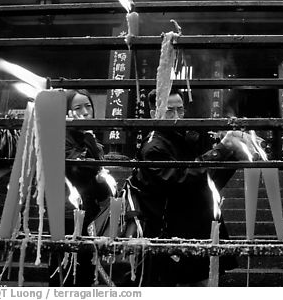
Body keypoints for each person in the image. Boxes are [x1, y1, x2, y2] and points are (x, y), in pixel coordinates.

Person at [122, 88, 238, 286]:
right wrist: (219, 153)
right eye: (169, 111)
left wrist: (233, 153)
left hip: (196, 227)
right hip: (175, 232)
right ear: (154, 114)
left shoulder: (181, 138)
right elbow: (182, 181)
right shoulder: (154, 147)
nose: (177, 116)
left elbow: (207, 182)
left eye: (180, 110)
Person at [50, 89, 116, 286]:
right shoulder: (61, 137)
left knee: (85, 271)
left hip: (90, 214)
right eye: (78, 108)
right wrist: (88, 136)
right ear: (67, 112)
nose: (86, 112)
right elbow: (78, 169)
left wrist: (101, 181)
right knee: (64, 268)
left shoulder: (92, 141)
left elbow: (98, 180)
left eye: (88, 106)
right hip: (67, 214)